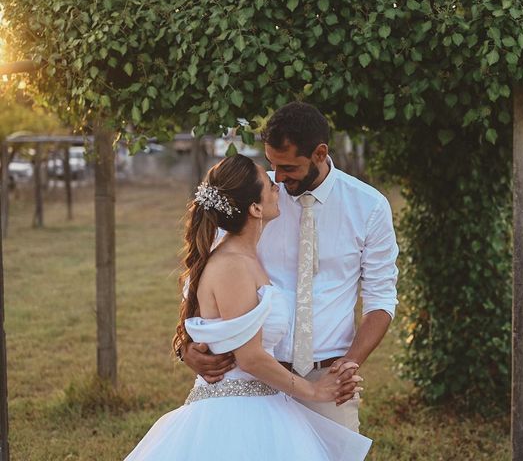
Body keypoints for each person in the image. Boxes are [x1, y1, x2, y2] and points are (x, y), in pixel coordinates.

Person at [126, 154, 371, 460]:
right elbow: (250, 357)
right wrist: (313, 391)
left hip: (267, 399)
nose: (277, 187)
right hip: (236, 412)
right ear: (255, 208)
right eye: (269, 185)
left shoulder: (243, 258)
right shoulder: (232, 265)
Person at [181, 102, 399, 432]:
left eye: (288, 168)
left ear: (319, 153)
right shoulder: (254, 196)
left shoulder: (369, 207)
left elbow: (381, 299)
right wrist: (185, 347)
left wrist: (347, 364)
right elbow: (200, 278)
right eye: (272, 166)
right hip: (253, 379)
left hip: (327, 376)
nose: (279, 179)